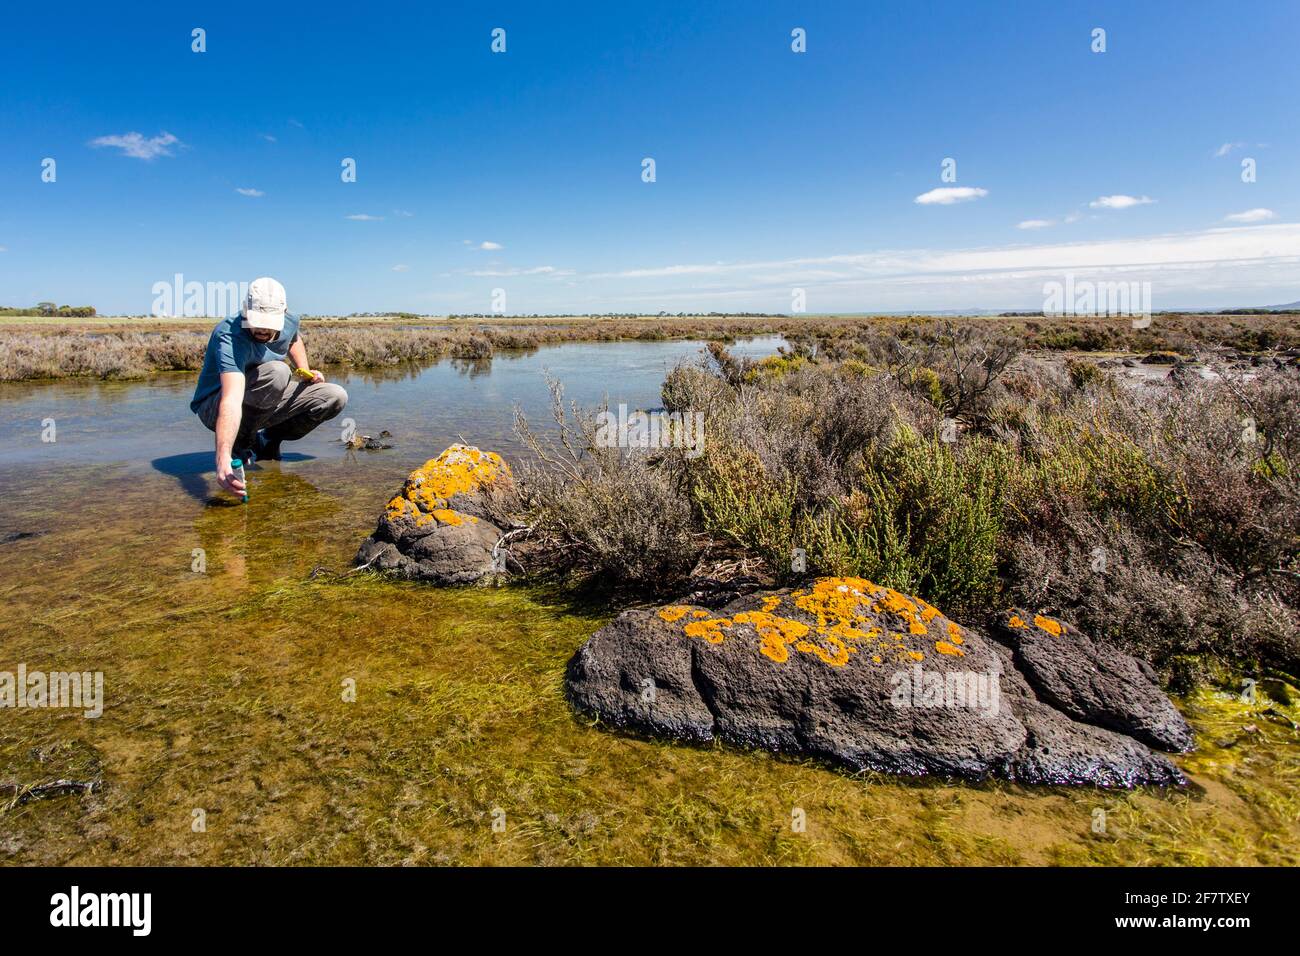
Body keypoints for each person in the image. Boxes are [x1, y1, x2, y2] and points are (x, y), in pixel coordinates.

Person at [190, 277, 348, 496]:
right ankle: (241, 444)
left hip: (262, 395)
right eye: (257, 321)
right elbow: (232, 399)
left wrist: (304, 370)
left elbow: (293, 340)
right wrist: (222, 455)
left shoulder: (291, 320)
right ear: (245, 311)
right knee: (278, 371)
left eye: (270, 323)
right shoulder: (229, 335)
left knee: (334, 396)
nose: (263, 329)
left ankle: (269, 440)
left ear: (283, 314)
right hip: (214, 407)